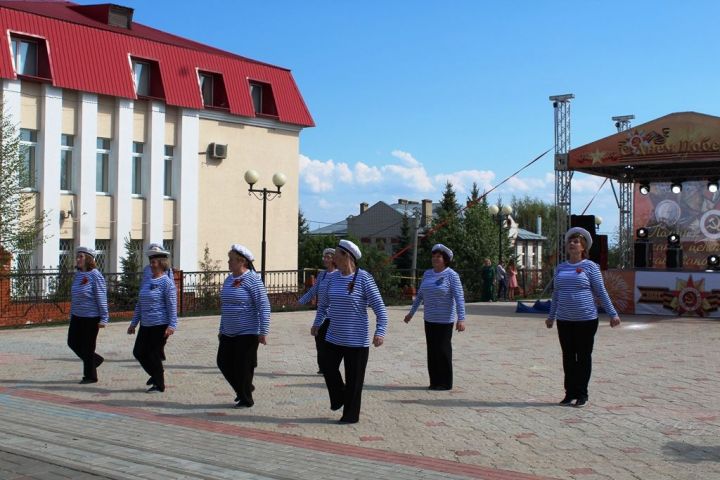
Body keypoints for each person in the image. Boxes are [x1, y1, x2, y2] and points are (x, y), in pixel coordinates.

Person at [546, 227, 621, 408]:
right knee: (568, 357)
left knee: (583, 357)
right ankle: (569, 393)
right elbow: (556, 293)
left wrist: (613, 314)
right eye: (570, 241)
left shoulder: (590, 267)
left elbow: (601, 292)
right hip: (564, 320)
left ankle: (582, 394)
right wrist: (551, 316)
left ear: (583, 247)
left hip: (586, 320)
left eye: (576, 242)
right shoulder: (561, 268)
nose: (572, 244)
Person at [314, 239, 387, 424]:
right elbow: (323, 306)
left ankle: (350, 415)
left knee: (354, 381)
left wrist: (380, 331)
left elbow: (380, 309)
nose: (332, 259)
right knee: (328, 367)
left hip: (357, 340)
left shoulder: (364, 279)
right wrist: (317, 323)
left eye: (336, 254)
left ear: (346, 256)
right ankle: (339, 398)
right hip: (333, 336)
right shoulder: (333, 279)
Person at [404, 244, 466, 390]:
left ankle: (445, 382)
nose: (435, 259)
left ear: (445, 259)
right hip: (429, 319)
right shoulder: (427, 274)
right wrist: (411, 313)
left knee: (443, 350)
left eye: (438, 257)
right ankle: (435, 381)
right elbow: (420, 296)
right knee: (432, 351)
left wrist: (461, 318)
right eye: (433, 256)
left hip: (445, 320)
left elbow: (459, 297)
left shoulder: (452, 275)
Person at [217, 244, 270, 408]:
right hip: (228, 331)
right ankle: (244, 389)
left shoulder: (253, 279)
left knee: (243, 367)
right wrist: (221, 328)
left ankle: (246, 398)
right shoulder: (229, 279)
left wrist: (264, 331)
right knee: (223, 362)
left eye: (231, 259)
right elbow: (225, 306)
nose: (228, 262)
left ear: (242, 262)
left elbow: (264, 305)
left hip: (247, 332)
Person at [127, 246, 177, 393]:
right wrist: (133, 323)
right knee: (138, 352)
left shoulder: (167, 282)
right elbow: (140, 303)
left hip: (160, 324)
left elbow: (172, 305)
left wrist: (172, 325)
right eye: (151, 261)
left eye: (154, 261)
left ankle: (159, 384)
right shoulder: (148, 281)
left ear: (162, 263)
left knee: (153, 354)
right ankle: (155, 374)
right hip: (146, 324)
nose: (151, 264)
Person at [68, 246, 109, 384]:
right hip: (77, 315)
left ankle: (90, 376)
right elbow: (75, 296)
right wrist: (71, 313)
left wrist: (104, 317)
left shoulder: (95, 275)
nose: (78, 259)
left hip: (91, 317)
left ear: (88, 259)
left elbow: (101, 296)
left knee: (87, 346)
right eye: (77, 256)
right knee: (72, 342)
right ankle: (95, 360)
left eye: (81, 256)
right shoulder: (78, 274)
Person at [298, 248, 337, 374]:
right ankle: (323, 367)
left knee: (329, 342)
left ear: (334, 259)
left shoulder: (339, 275)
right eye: (324, 257)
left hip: (334, 315)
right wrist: (300, 302)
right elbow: (313, 291)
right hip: (321, 313)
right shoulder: (322, 275)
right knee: (319, 340)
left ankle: (329, 367)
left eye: (328, 257)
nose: (325, 259)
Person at [141, 243, 174, 361]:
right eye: (150, 257)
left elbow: (170, 288)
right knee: (145, 349)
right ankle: (157, 357)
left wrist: (172, 323)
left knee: (155, 345)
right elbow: (143, 286)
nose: (151, 261)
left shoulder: (167, 272)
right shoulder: (146, 270)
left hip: (161, 309)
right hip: (148, 310)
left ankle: (158, 356)